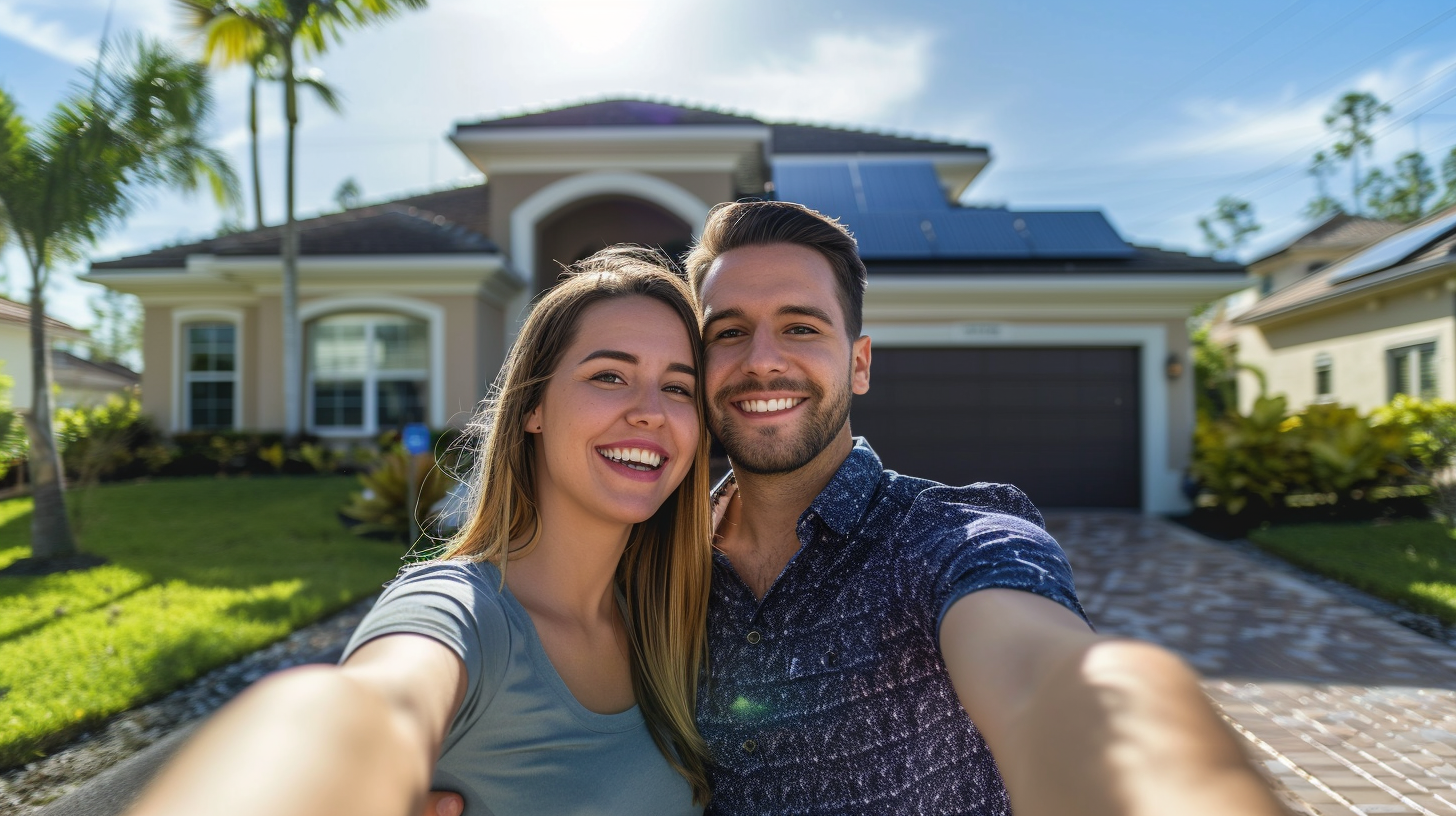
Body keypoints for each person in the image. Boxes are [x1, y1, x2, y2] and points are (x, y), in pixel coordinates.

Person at [405, 201, 1284, 816]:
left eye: (801, 327)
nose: (762, 361)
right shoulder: (648, 569)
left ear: (858, 363)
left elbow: (1050, 683)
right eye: (727, 333)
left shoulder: (947, 543)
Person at [127, 248, 716, 816]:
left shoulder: (666, 620)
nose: (650, 411)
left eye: (678, 387)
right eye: (610, 376)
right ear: (533, 406)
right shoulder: (461, 610)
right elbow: (364, 711)